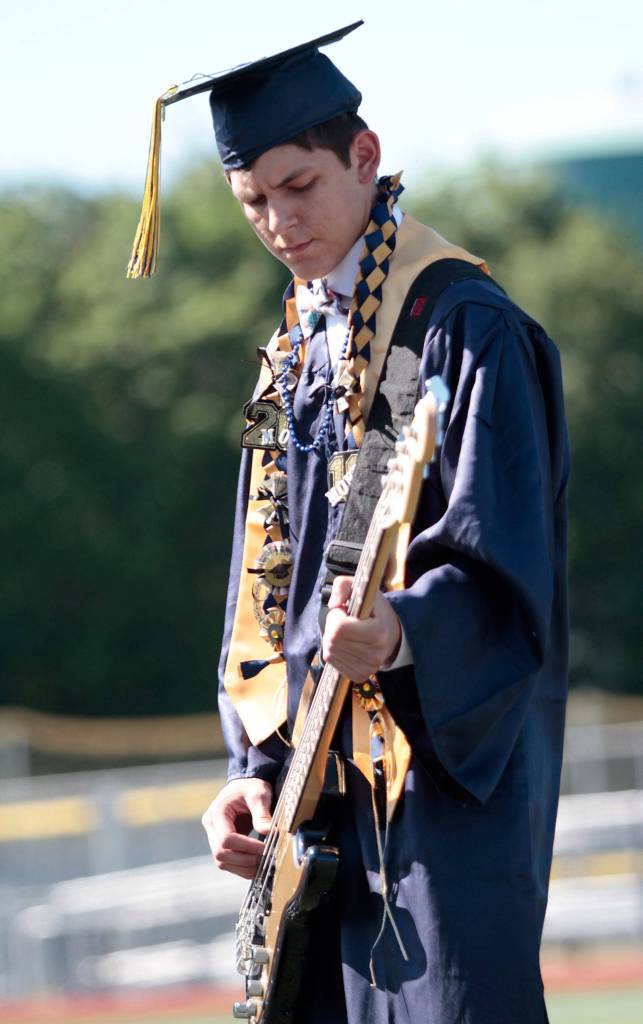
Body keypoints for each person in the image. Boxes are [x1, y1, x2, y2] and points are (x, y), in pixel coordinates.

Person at [130, 21, 569, 1024]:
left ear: (364, 158)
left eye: (299, 186)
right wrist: (248, 772)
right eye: (253, 201)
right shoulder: (287, 356)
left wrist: (402, 630)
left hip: (434, 792)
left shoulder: (461, 329)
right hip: (304, 818)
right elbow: (260, 585)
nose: (279, 223)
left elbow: (502, 560)